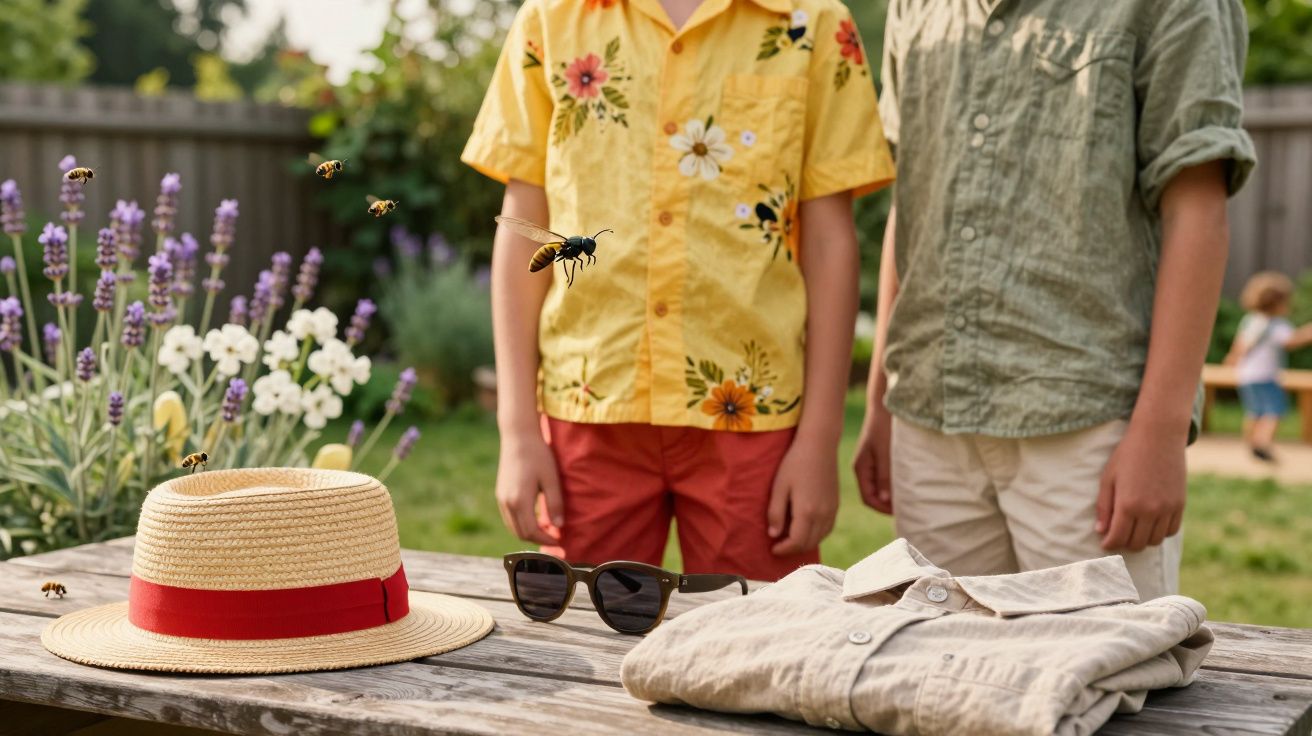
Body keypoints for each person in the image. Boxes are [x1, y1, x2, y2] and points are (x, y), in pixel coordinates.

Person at [463, 0, 894, 580]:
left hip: (754, 417)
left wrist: (819, 441)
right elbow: (524, 231)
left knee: (755, 644)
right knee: (588, 636)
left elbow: (829, 245)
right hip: (589, 410)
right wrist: (517, 431)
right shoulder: (552, 19)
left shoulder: (812, 23)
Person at [853, 0, 1257, 600]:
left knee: (1098, 677)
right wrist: (880, 404)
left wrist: (1162, 431)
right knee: (944, 676)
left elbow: (1196, 212)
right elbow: (912, 204)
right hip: (929, 418)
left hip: (1089, 429)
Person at [1226, 271, 1312, 462]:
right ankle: (1263, 444)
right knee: (1274, 410)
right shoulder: (1277, 325)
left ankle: (1250, 442)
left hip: (1246, 375)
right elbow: (1291, 342)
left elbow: (1240, 344)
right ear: (1278, 304)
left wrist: (1232, 359)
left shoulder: (1250, 320)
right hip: (1265, 375)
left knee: (1254, 411)